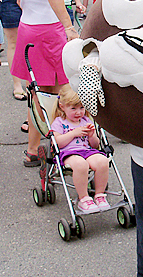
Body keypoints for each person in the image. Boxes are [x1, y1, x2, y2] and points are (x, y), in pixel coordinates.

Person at [10, 0, 79, 167]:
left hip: (29, 25)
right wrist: (68, 25)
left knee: (39, 92)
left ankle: (33, 149)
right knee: (58, 90)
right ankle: (59, 143)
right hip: (48, 28)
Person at [47, 85, 110, 213]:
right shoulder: (59, 122)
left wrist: (92, 136)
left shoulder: (86, 120)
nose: (78, 112)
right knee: (81, 164)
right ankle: (84, 198)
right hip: (68, 153)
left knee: (103, 160)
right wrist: (73, 133)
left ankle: (99, 195)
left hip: (87, 151)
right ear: (62, 106)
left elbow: (95, 145)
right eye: (74, 108)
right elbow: (57, 143)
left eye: (81, 107)